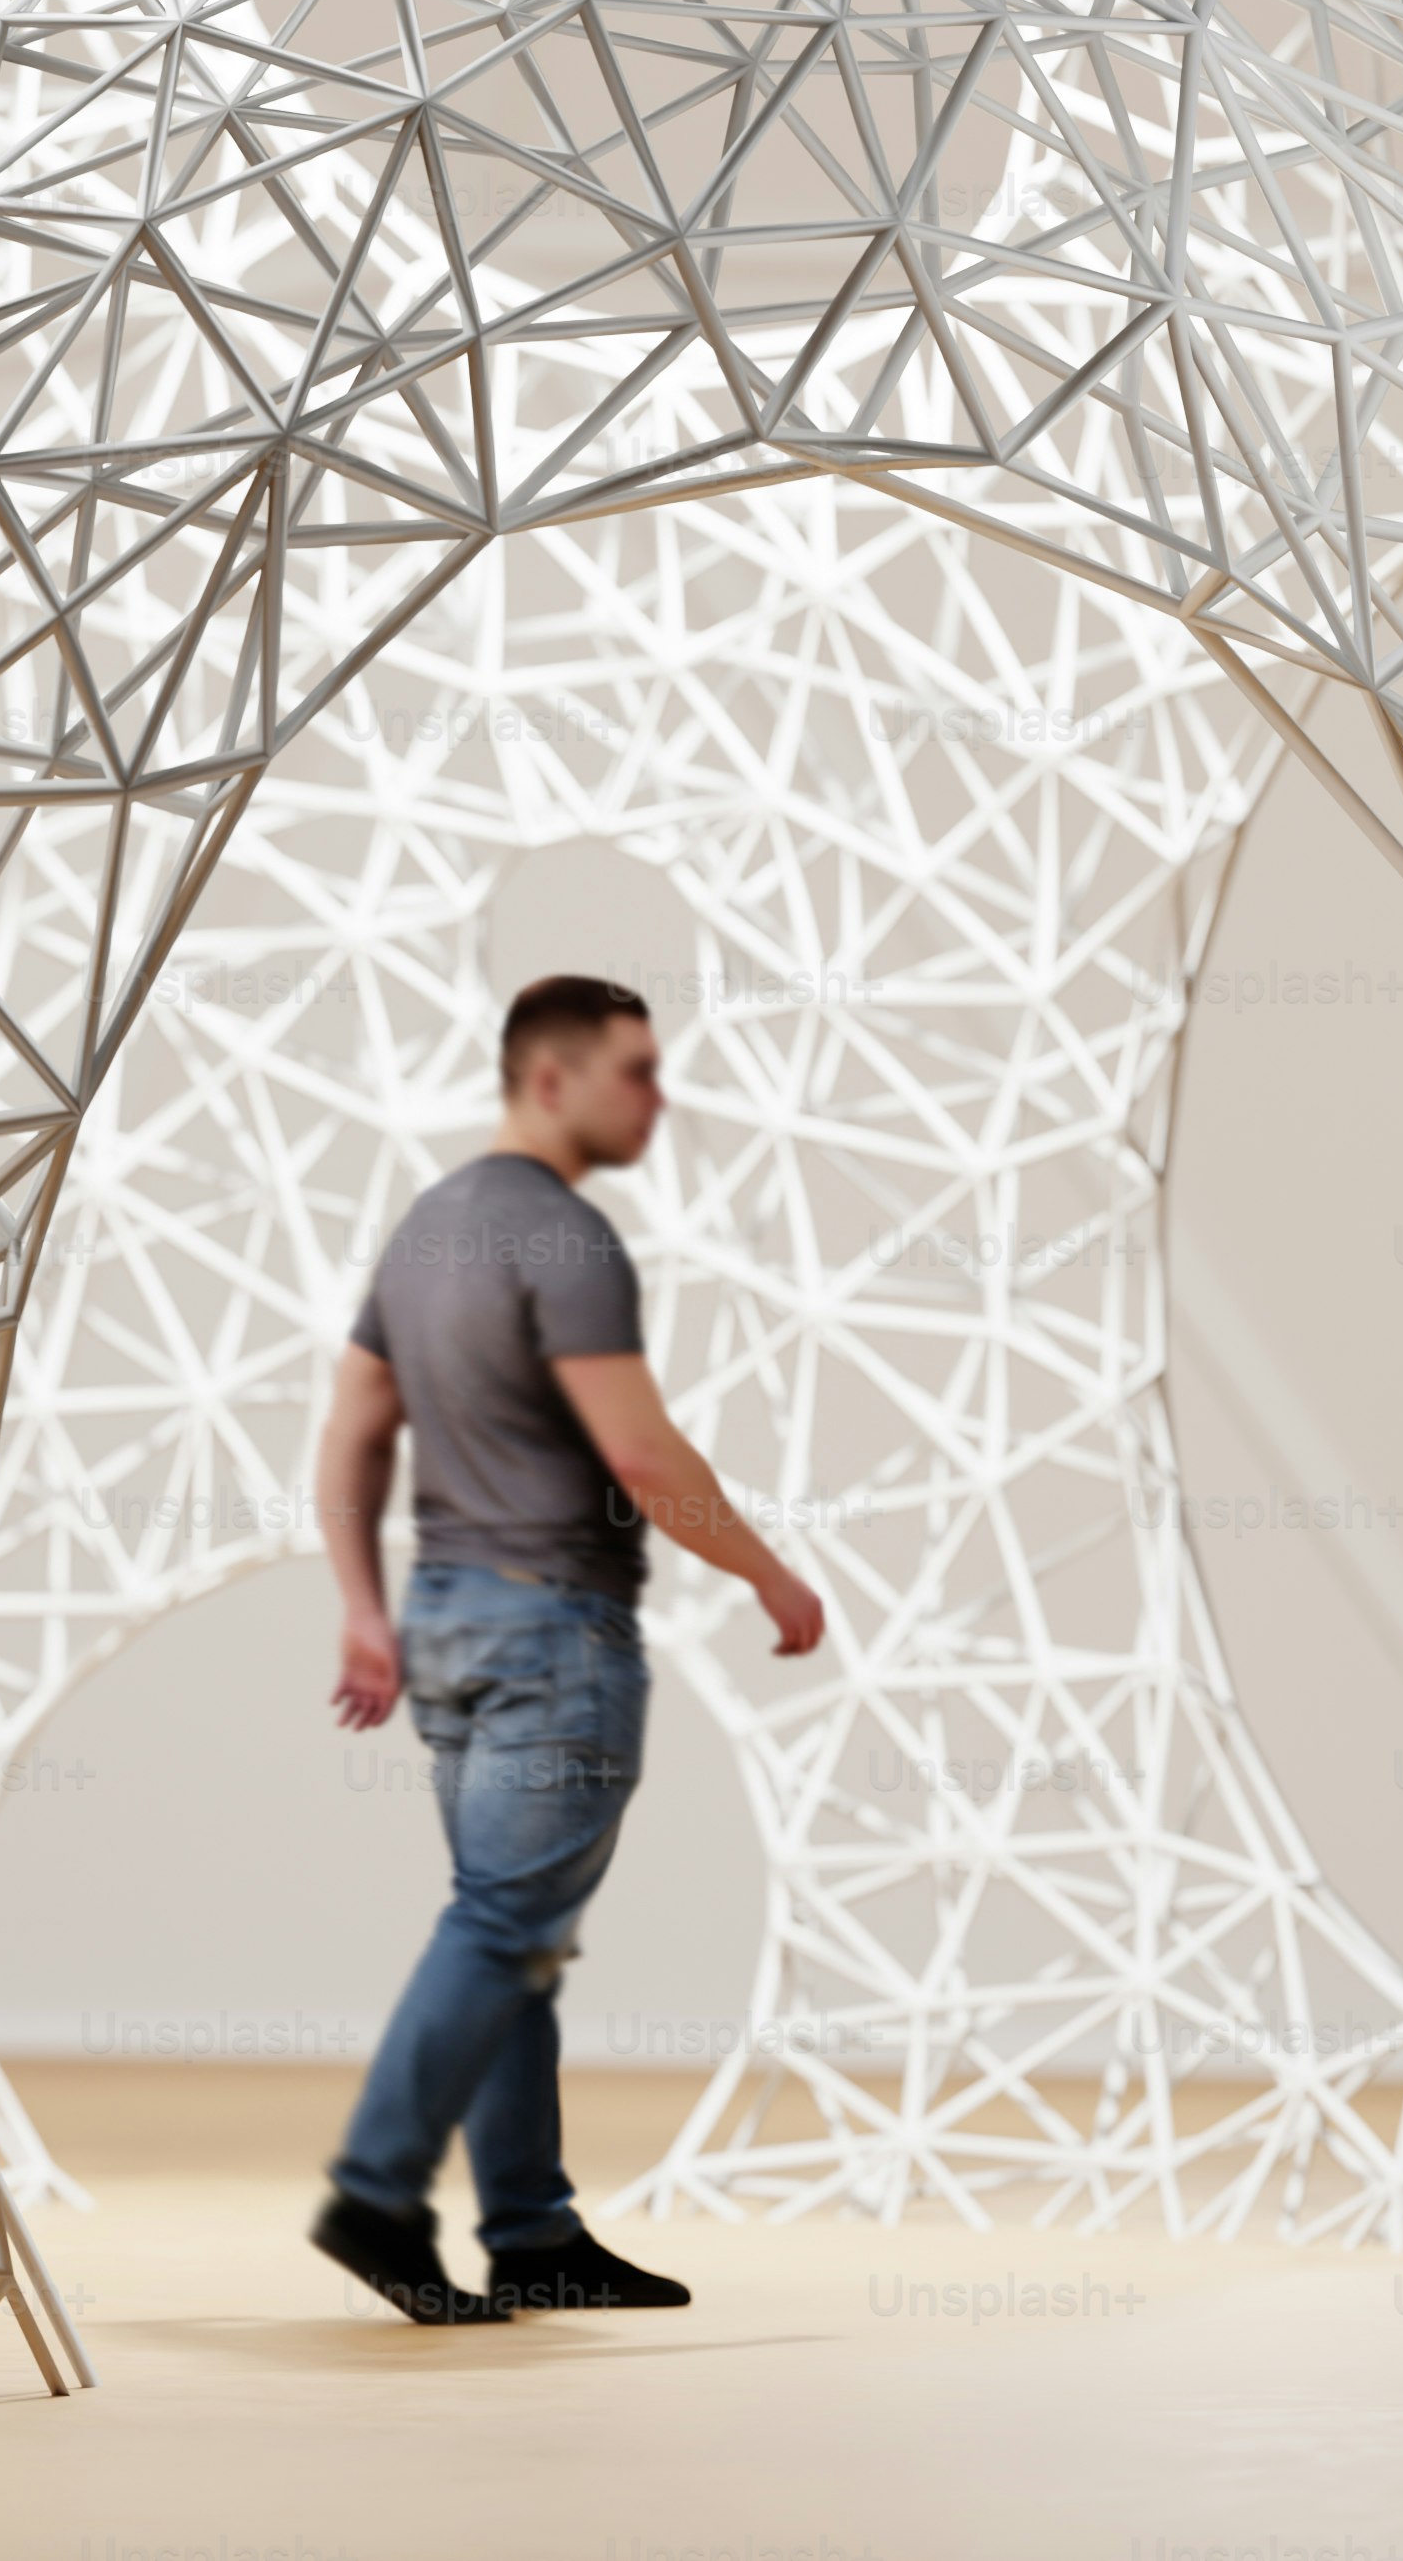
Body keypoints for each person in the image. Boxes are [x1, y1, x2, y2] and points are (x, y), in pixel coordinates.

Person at [303, 971, 829, 2325]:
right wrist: (770, 1572)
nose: (658, 1097)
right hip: (552, 1631)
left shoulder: (424, 1231)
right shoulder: (565, 1236)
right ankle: (375, 2192)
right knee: (502, 1924)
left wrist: (364, 1608)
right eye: (638, 1071)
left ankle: (532, 2232)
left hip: (446, 1624)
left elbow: (355, 1431)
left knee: (518, 1934)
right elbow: (642, 1448)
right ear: (552, 1077)